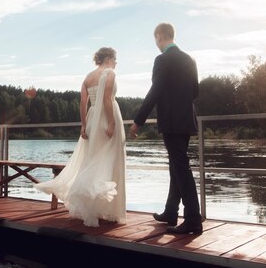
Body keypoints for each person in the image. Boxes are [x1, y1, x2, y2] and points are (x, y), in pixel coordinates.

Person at [35, 47, 126, 227]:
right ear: (108, 59)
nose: (116, 63)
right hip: (107, 118)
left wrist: (84, 125)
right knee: (111, 160)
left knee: (92, 160)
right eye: (115, 59)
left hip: (92, 120)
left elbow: (83, 103)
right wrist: (112, 123)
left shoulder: (87, 77)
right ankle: (107, 209)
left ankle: (94, 206)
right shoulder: (109, 73)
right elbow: (107, 99)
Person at [128, 23, 202, 234]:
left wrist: (138, 120)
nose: (157, 45)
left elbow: (155, 92)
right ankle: (171, 212)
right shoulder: (190, 59)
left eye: (156, 40)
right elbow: (195, 91)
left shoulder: (162, 60)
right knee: (176, 167)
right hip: (187, 120)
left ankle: (193, 220)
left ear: (160, 37)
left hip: (171, 121)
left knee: (181, 168)